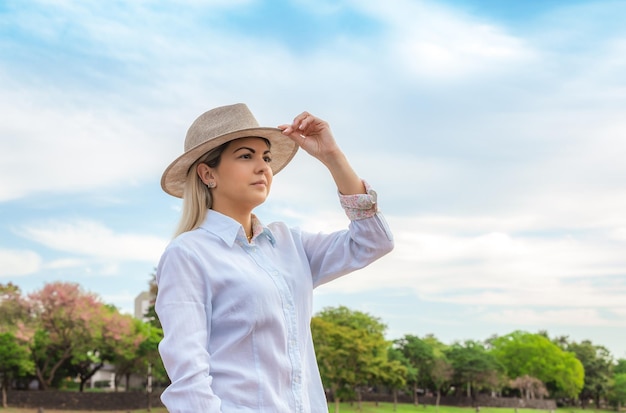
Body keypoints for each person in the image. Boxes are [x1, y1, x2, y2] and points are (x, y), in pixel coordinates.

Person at [155, 103, 394, 413]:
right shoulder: (188, 254)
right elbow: (189, 382)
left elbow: (374, 241)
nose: (263, 167)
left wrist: (332, 156)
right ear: (207, 172)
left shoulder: (290, 244)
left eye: (265, 157)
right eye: (246, 156)